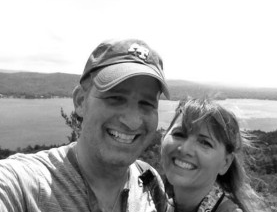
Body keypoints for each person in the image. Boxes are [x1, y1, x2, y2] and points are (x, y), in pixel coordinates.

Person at [0, 39, 170, 212]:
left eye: (147, 104)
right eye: (116, 98)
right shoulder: (24, 186)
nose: (133, 121)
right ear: (81, 101)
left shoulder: (149, 182)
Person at [161, 98, 266, 212]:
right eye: (179, 134)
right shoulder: (158, 204)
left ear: (225, 163)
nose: (185, 149)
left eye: (205, 143)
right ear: (163, 138)